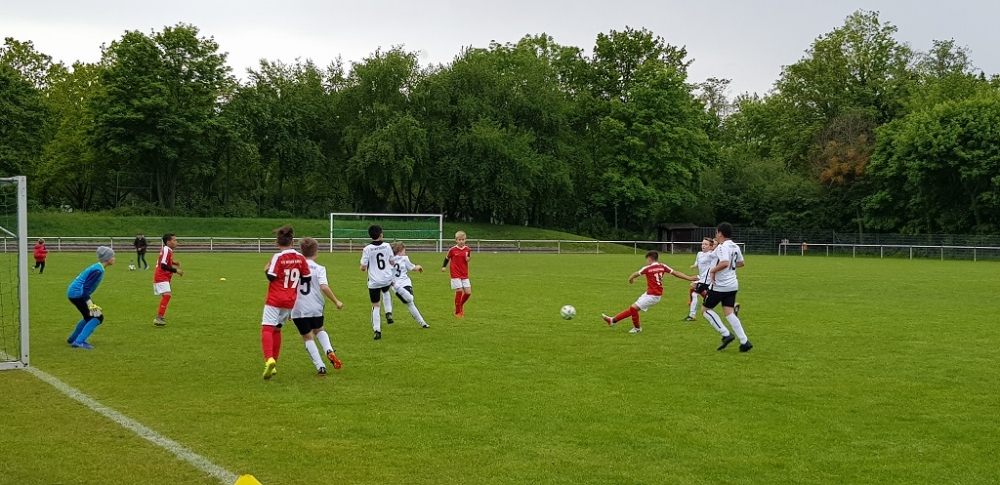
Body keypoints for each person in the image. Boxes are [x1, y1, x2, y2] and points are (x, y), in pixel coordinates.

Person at [602, 251, 698, 333]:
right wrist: (689, 278)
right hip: (651, 294)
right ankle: (613, 320)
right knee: (633, 309)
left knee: (633, 308)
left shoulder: (647, 268)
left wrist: (631, 278)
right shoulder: (662, 266)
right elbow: (676, 273)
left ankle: (637, 328)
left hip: (653, 295)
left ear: (649, 259)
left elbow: (636, 273)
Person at [261, 225, 311, 380]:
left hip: (275, 298)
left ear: (277, 243)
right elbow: (306, 278)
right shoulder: (300, 258)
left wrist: (266, 269)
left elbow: (271, 276)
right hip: (290, 300)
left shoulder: (278, 257)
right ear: (293, 242)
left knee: (267, 328)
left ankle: (269, 359)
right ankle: (274, 363)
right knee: (277, 329)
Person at [290, 237, 344, 376]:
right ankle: (329, 350)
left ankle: (320, 366)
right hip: (316, 306)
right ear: (316, 252)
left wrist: (287, 309)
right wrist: (336, 301)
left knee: (307, 337)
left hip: (298, 307)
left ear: (301, 252)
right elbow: (324, 287)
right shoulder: (319, 268)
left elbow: (289, 288)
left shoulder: (294, 268)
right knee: (319, 330)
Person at [702, 222, 753, 352]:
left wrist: (713, 270)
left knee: (705, 310)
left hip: (719, 285)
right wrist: (729, 268)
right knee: (729, 312)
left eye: (716, 233)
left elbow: (725, 262)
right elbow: (741, 263)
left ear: (720, 233)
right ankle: (744, 341)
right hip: (732, 285)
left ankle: (726, 334)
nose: (716, 235)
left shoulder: (722, 247)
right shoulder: (735, 246)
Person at [66, 246, 116, 349]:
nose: (114, 258)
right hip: (78, 294)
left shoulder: (97, 267)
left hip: (75, 293)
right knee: (97, 317)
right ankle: (79, 342)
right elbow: (85, 288)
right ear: (107, 258)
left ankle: (73, 338)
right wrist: (90, 304)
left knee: (88, 317)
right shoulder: (97, 270)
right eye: (112, 256)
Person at [360, 225, 395, 340]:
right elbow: (392, 261)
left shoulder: (367, 249)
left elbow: (363, 267)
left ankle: (377, 331)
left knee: (376, 306)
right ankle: (388, 312)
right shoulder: (387, 246)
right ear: (381, 234)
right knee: (386, 291)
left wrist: (364, 267)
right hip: (386, 278)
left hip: (374, 281)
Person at [390, 241, 430, 329]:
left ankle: (423, 323)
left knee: (410, 303)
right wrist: (419, 267)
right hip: (401, 285)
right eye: (404, 251)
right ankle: (423, 323)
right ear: (400, 251)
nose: (405, 252)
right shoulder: (404, 259)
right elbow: (413, 268)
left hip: (400, 286)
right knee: (410, 300)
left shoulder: (389, 260)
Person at [153, 234, 183, 327]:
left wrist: (173, 262)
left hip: (164, 276)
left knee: (166, 296)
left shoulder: (168, 250)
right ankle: (159, 318)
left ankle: (160, 317)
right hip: (161, 276)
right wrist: (176, 270)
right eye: (174, 240)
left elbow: (163, 261)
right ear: (168, 242)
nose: (176, 242)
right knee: (167, 295)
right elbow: (163, 265)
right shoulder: (166, 250)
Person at [442, 230, 472, 317]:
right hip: (455, 273)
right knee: (459, 291)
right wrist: (444, 266)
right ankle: (458, 312)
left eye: (463, 240)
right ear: (456, 240)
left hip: (464, 273)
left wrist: (468, 259)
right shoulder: (452, 250)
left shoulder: (468, 249)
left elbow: (468, 257)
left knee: (468, 292)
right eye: (459, 240)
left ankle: (460, 305)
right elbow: (447, 258)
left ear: (465, 240)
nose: (461, 241)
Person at [685, 238, 716, 321]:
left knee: (695, 293)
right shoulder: (699, 254)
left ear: (711, 247)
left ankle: (692, 315)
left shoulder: (711, 254)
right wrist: (694, 266)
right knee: (694, 288)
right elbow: (697, 263)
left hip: (707, 279)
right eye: (703, 244)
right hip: (702, 277)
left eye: (706, 244)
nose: (703, 246)